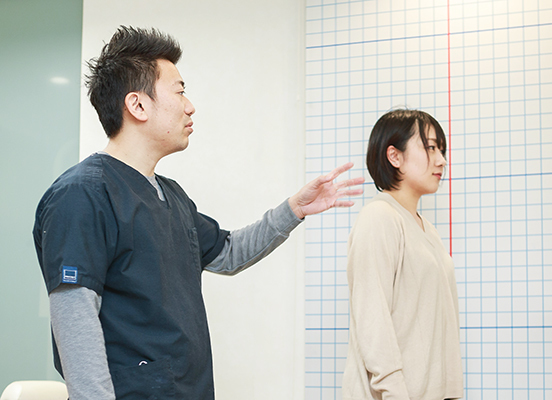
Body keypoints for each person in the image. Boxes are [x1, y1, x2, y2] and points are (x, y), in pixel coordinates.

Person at [33, 26, 364, 399]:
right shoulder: (82, 194)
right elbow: (74, 317)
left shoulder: (170, 195)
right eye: (179, 91)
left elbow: (228, 252)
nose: (189, 106)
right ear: (137, 105)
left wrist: (293, 209)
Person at [342, 109, 463, 400]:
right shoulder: (379, 217)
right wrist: (395, 393)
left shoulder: (427, 230)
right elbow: (372, 318)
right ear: (394, 156)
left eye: (442, 150)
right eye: (430, 147)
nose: (441, 160)